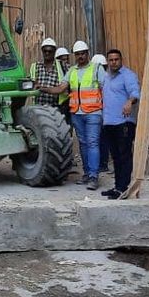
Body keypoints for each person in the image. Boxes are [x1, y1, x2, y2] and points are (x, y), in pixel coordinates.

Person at [55, 40, 105, 190]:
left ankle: (94, 176)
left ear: (87, 53)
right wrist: (42, 88)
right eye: (78, 54)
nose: (81, 56)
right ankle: (87, 174)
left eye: (83, 53)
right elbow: (61, 89)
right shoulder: (72, 71)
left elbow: (105, 89)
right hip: (77, 113)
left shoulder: (97, 68)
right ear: (75, 56)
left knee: (92, 143)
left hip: (93, 112)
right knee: (83, 144)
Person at [99, 49, 140, 200]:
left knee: (124, 156)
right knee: (115, 157)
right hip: (109, 123)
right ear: (107, 62)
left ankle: (123, 188)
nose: (113, 62)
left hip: (123, 122)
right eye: (110, 60)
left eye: (116, 59)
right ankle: (117, 187)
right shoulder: (106, 77)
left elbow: (135, 93)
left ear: (121, 60)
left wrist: (129, 102)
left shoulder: (128, 76)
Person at [30, 38, 66, 108]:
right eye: (45, 51)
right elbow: (30, 84)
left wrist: (43, 89)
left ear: (54, 51)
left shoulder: (62, 66)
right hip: (38, 107)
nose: (47, 53)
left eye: (50, 51)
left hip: (57, 108)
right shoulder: (35, 66)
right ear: (42, 51)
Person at [55, 47, 72, 123]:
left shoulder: (70, 69)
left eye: (66, 59)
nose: (66, 61)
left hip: (69, 101)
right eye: (63, 59)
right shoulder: (55, 70)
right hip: (58, 102)